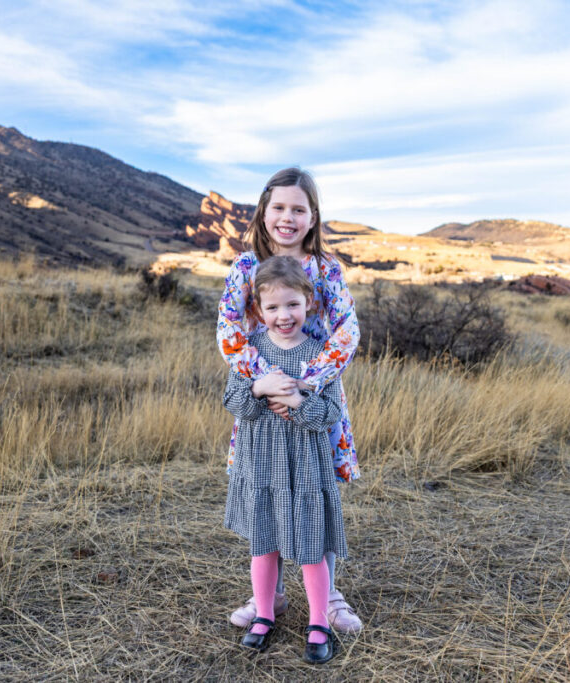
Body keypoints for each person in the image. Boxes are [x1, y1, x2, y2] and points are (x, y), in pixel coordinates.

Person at [216, 167, 362, 633]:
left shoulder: (327, 270)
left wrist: (307, 383)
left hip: (315, 396)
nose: (287, 217)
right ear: (264, 211)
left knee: (316, 490)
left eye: (299, 209)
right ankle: (271, 595)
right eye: (279, 207)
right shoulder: (245, 269)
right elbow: (229, 330)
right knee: (269, 489)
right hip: (263, 400)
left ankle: (329, 595)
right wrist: (266, 381)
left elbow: (347, 330)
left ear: (313, 216)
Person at [223, 255, 348, 663]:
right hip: (261, 463)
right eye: (273, 307)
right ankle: (263, 614)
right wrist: (258, 388)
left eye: (292, 304)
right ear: (258, 309)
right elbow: (233, 401)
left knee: (311, 546)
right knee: (264, 544)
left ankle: (318, 621)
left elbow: (329, 412)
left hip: (305, 466)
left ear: (309, 302)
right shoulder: (250, 352)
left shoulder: (319, 354)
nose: (283, 315)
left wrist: (297, 401)